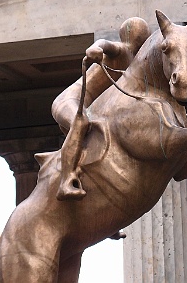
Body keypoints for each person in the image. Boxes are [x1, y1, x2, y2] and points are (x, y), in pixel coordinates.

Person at [52, 17, 151, 201]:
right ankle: (66, 180)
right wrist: (95, 48)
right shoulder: (122, 50)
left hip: (87, 106)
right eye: (142, 33)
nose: (144, 36)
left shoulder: (138, 63)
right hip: (69, 101)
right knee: (82, 123)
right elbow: (104, 44)